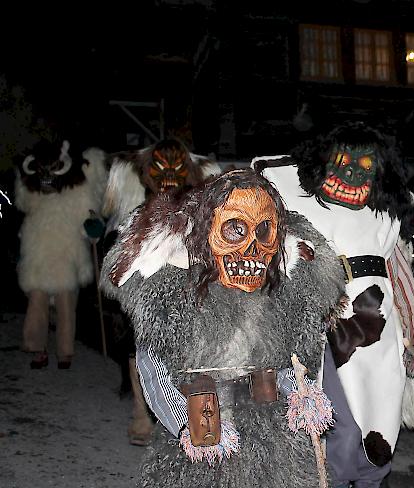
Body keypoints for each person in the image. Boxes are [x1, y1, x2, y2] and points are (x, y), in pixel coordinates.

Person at [100, 169, 347, 488]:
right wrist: (185, 424)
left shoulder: (279, 297)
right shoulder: (173, 298)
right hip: (204, 428)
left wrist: (299, 393)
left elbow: (286, 362)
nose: (252, 249)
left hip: (270, 436)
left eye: (264, 232)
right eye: (235, 229)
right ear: (205, 232)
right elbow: (155, 372)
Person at [254, 122, 414, 488]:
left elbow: (402, 279)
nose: (351, 173)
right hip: (323, 327)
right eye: (343, 161)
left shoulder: (385, 216)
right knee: (342, 428)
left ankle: (370, 482)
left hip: (377, 330)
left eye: (365, 166)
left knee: (379, 424)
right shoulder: (300, 204)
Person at [101, 138, 221, 446]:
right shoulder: (136, 213)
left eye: (178, 168)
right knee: (138, 348)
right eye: (160, 168)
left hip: (191, 291)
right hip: (147, 292)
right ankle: (141, 414)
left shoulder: (204, 210)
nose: (169, 175)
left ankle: (196, 426)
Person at [15, 138, 107, 370]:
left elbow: (88, 220)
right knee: (37, 304)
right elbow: (23, 203)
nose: (48, 176)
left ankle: (65, 352)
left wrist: (92, 227)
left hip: (67, 256)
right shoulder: (32, 196)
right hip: (38, 257)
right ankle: (38, 349)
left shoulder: (75, 195)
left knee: (66, 307)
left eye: (53, 168)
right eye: (43, 169)